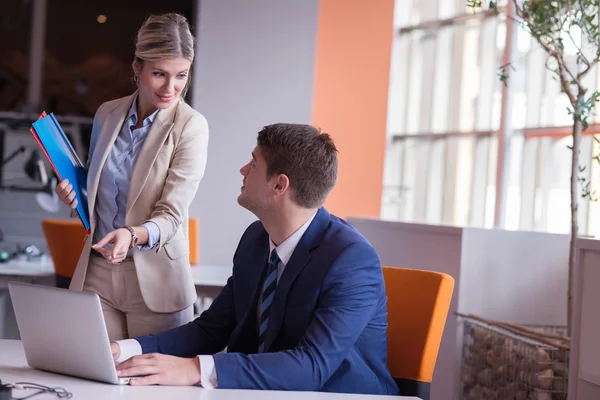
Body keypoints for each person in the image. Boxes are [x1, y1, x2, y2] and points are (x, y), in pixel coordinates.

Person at [110, 123, 399, 395]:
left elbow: (312, 367)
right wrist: (125, 350)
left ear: (279, 186)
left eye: (254, 163)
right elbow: (212, 329)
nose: (243, 170)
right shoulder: (255, 239)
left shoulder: (351, 260)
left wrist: (195, 369)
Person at [54, 13, 208, 341]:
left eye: (181, 75)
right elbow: (100, 188)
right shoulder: (107, 114)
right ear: (137, 67)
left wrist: (132, 234)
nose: (171, 87)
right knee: (94, 379)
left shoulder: (191, 127)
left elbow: (171, 214)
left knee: (152, 387)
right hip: (98, 269)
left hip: (156, 278)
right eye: (159, 74)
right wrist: (74, 196)